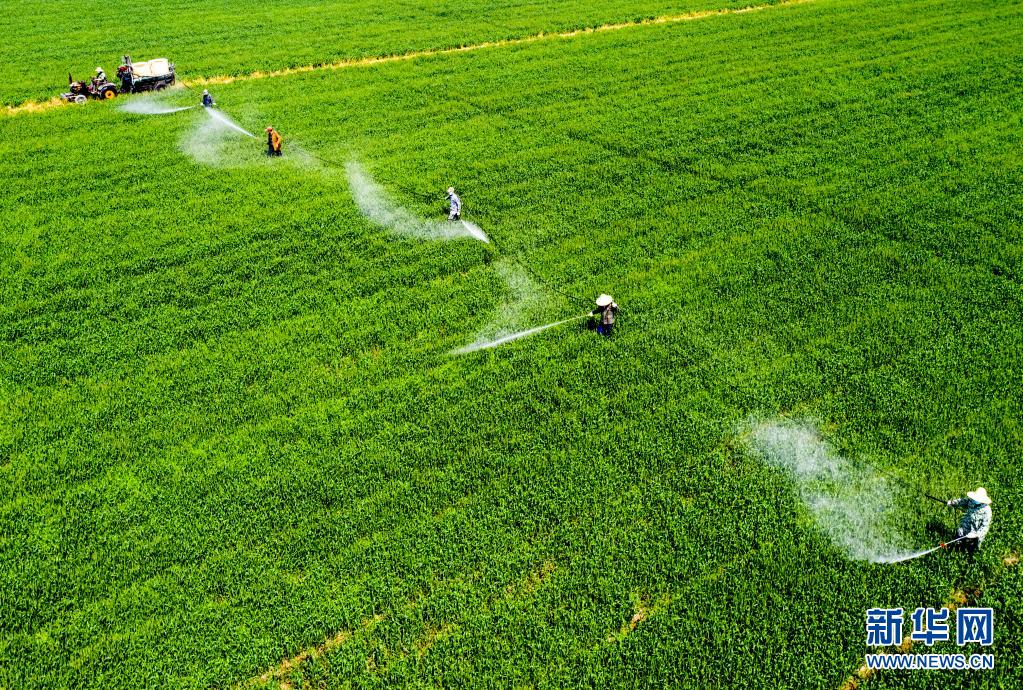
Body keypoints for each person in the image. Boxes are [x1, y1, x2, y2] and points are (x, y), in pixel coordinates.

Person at [946, 487, 992, 553]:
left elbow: (985, 527)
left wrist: (976, 534)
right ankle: (956, 550)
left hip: (975, 533)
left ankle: (970, 555)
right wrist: (952, 503)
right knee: (958, 541)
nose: (975, 500)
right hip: (964, 526)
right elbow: (962, 501)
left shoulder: (987, 511)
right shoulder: (971, 501)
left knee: (971, 549)